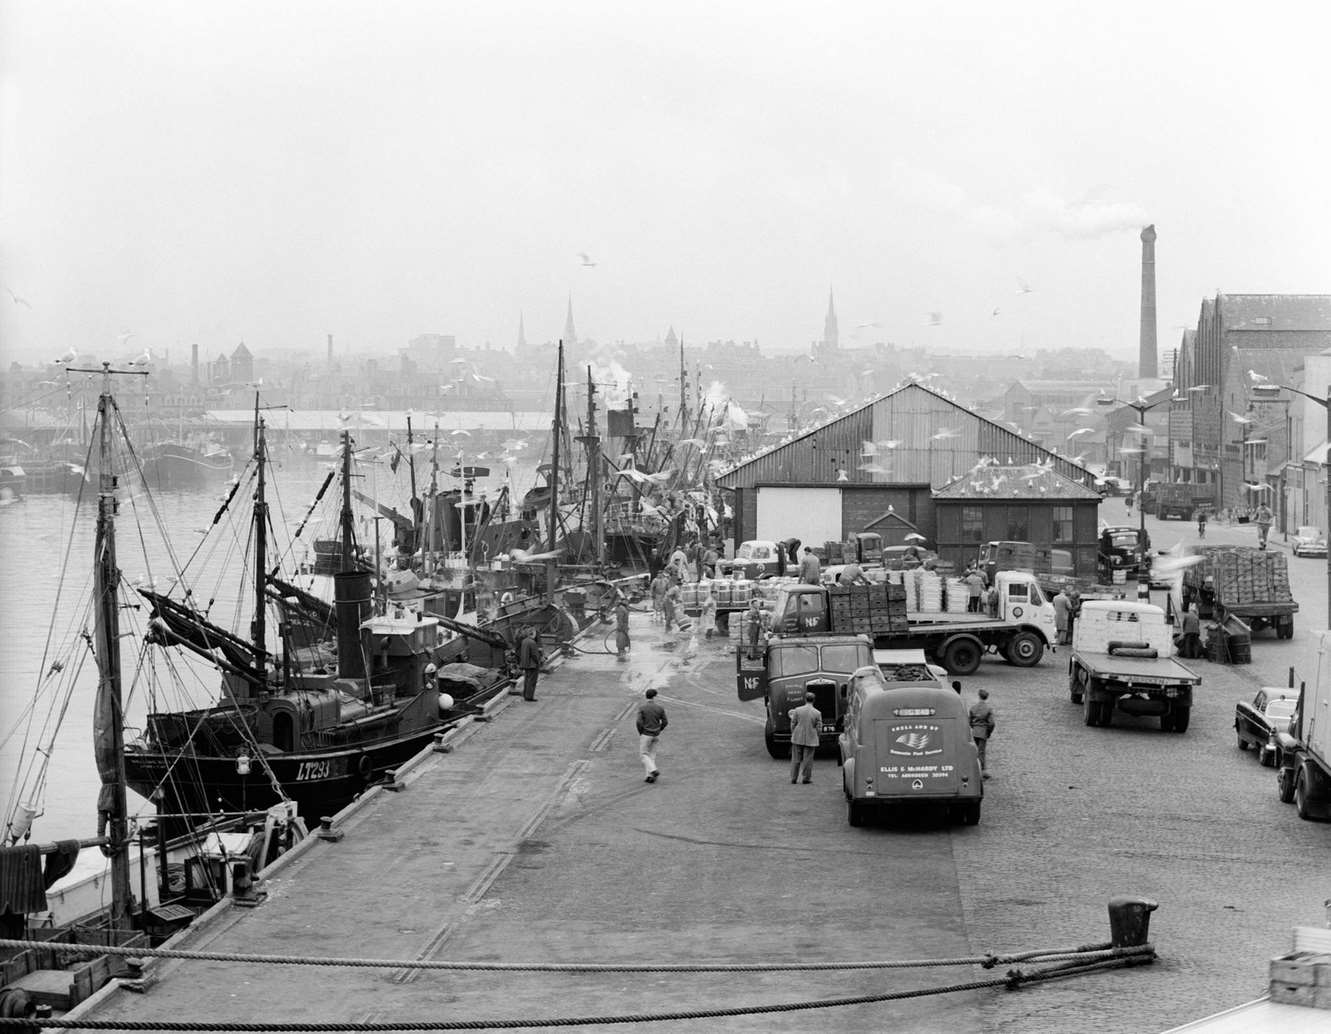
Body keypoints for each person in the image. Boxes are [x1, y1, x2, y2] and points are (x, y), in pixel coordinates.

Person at [788, 691, 822, 784]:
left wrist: (793, 733)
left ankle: (793, 778)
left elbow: (793, 723)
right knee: (808, 760)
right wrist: (817, 736)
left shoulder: (797, 710)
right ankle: (806, 778)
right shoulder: (817, 713)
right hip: (811, 738)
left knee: (795, 759)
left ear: (805, 699)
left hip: (797, 736)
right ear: (814, 700)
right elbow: (819, 727)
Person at [636, 688, 668, 783]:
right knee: (652, 756)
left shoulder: (642, 708)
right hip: (655, 734)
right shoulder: (660, 708)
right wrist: (659, 729)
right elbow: (665, 722)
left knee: (643, 755)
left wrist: (641, 732)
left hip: (646, 734)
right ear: (654, 697)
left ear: (646, 696)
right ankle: (649, 776)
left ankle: (653, 770)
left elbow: (639, 722)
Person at [968, 688, 995, 777]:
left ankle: (977, 768)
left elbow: (969, 721)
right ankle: (982, 771)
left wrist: (974, 727)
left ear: (979, 696)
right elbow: (992, 723)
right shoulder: (988, 709)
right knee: (981, 752)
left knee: (978, 750)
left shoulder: (973, 708)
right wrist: (989, 732)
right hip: (983, 732)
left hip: (975, 732)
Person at [518, 626, 543, 702]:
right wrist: (539, 661)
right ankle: (529, 696)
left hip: (525, 663)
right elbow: (534, 655)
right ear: (532, 633)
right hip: (532, 664)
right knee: (532, 681)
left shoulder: (524, 641)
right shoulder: (532, 642)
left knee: (527, 680)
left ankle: (525, 694)